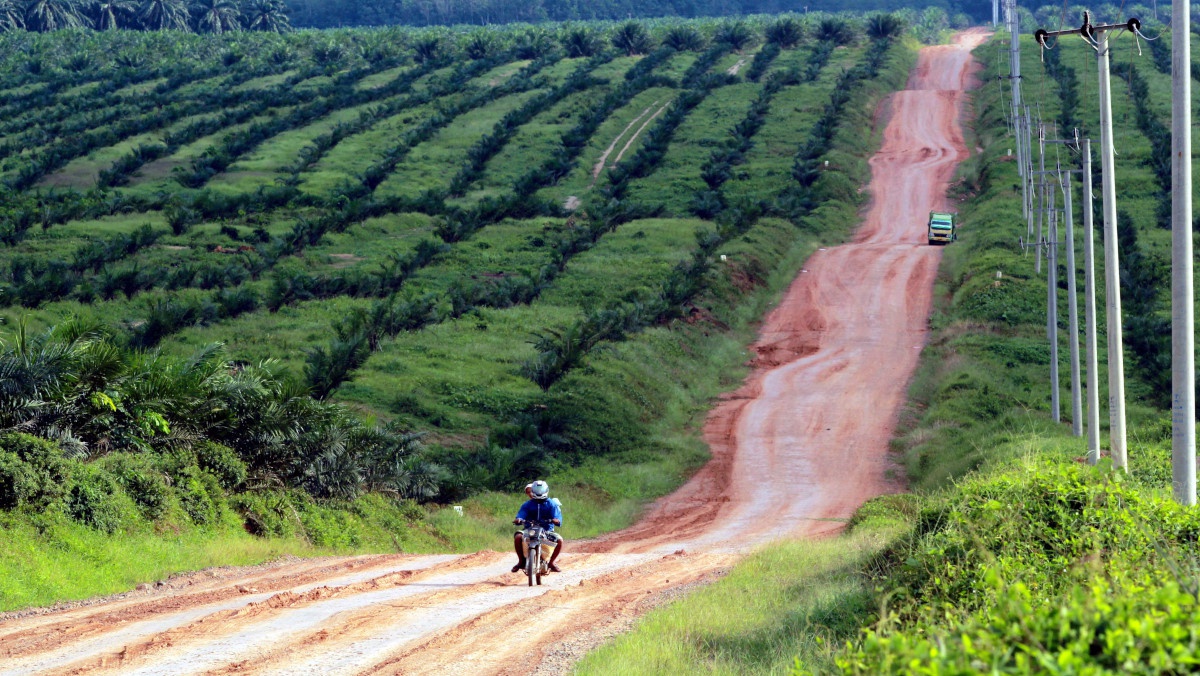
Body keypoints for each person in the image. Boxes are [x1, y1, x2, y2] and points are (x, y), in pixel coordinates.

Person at [512, 480, 563, 573]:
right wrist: (519, 519)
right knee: (518, 537)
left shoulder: (551, 504)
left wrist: (556, 520)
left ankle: (551, 562)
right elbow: (521, 514)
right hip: (529, 529)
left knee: (559, 540)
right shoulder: (527, 504)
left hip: (547, 530)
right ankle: (521, 562)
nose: (539, 493)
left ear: (546, 490)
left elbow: (557, 516)